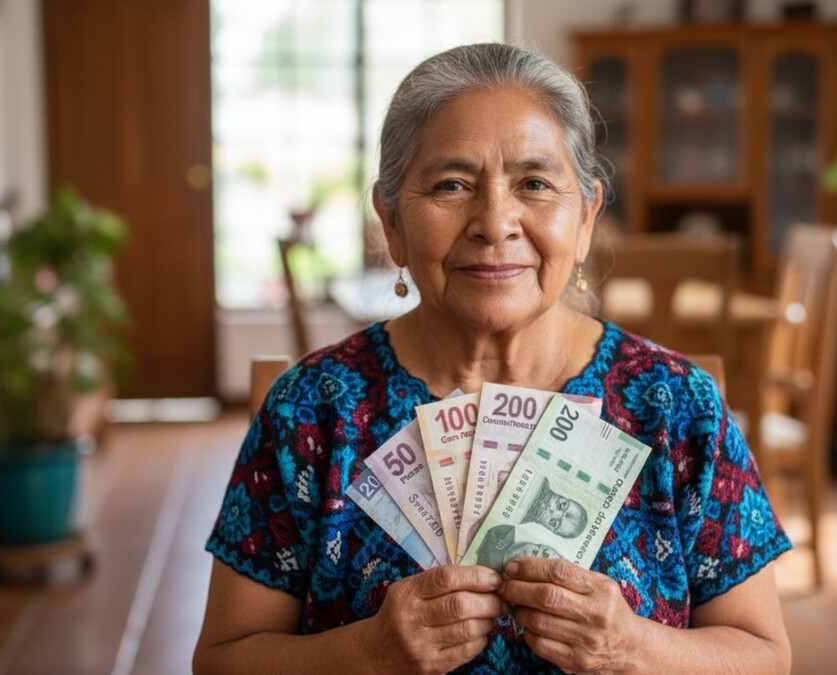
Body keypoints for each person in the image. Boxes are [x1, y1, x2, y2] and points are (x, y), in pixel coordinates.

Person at [194, 42, 792, 674]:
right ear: (391, 221)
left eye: (534, 183)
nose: (495, 221)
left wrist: (632, 649)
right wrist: (366, 654)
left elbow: (764, 656)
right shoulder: (312, 411)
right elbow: (222, 661)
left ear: (586, 217)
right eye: (452, 185)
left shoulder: (677, 408)